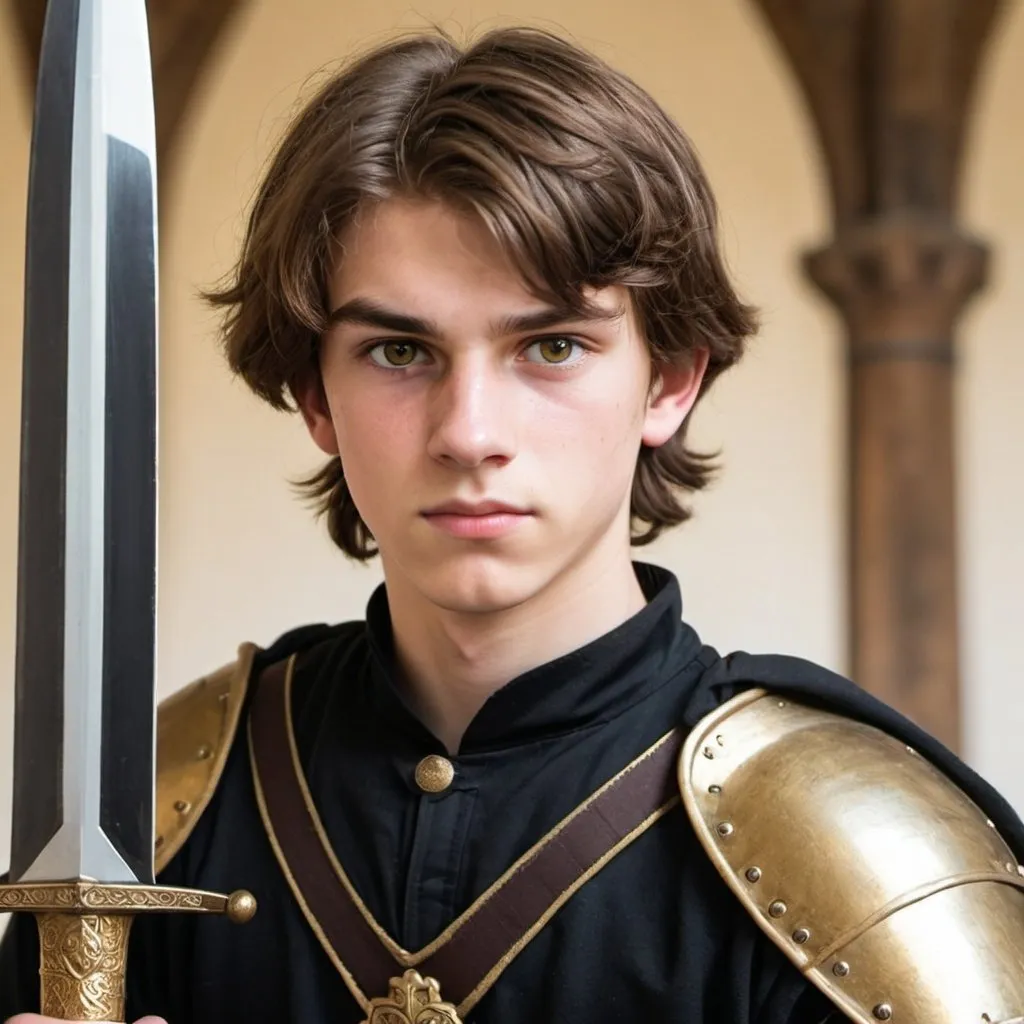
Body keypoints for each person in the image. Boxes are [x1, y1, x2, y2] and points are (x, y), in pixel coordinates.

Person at [4, 24, 1024, 1024]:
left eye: (550, 347)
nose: (469, 431)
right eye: (399, 353)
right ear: (314, 396)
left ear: (669, 379)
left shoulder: (855, 849)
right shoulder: (171, 798)